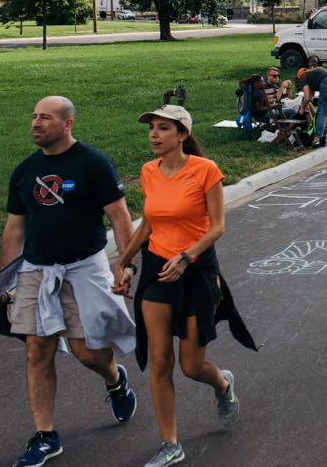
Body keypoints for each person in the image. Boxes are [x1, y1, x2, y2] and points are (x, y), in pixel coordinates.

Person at [113, 105, 255, 467]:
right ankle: (170, 443)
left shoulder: (205, 171)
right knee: (160, 360)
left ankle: (223, 385)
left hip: (196, 269)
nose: (154, 135)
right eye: (151, 129)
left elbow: (217, 227)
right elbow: (147, 223)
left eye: (162, 129)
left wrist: (187, 257)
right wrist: (125, 261)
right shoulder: (148, 171)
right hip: (159, 269)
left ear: (182, 135)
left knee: (191, 365)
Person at [2, 97, 138, 467]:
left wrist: (125, 264)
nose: (35, 123)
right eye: (33, 117)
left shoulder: (93, 163)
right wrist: (4, 280)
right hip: (36, 270)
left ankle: (114, 379)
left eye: (44, 118)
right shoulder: (25, 170)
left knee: (86, 351)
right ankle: (46, 436)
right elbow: (15, 226)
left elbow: (120, 217)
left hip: (83, 266)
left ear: (67, 124)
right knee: (37, 349)